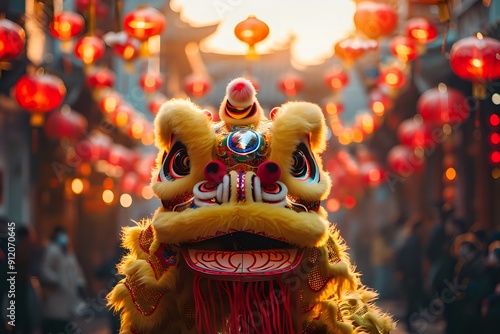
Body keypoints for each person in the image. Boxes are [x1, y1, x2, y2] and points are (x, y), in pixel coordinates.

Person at [39, 226, 86, 334]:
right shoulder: (51, 250)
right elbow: (45, 270)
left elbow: (77, 271)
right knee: (55, 325)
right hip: (55, 297)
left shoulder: (69, 253)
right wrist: (58, 281)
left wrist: (80, 283)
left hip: (68, 299)